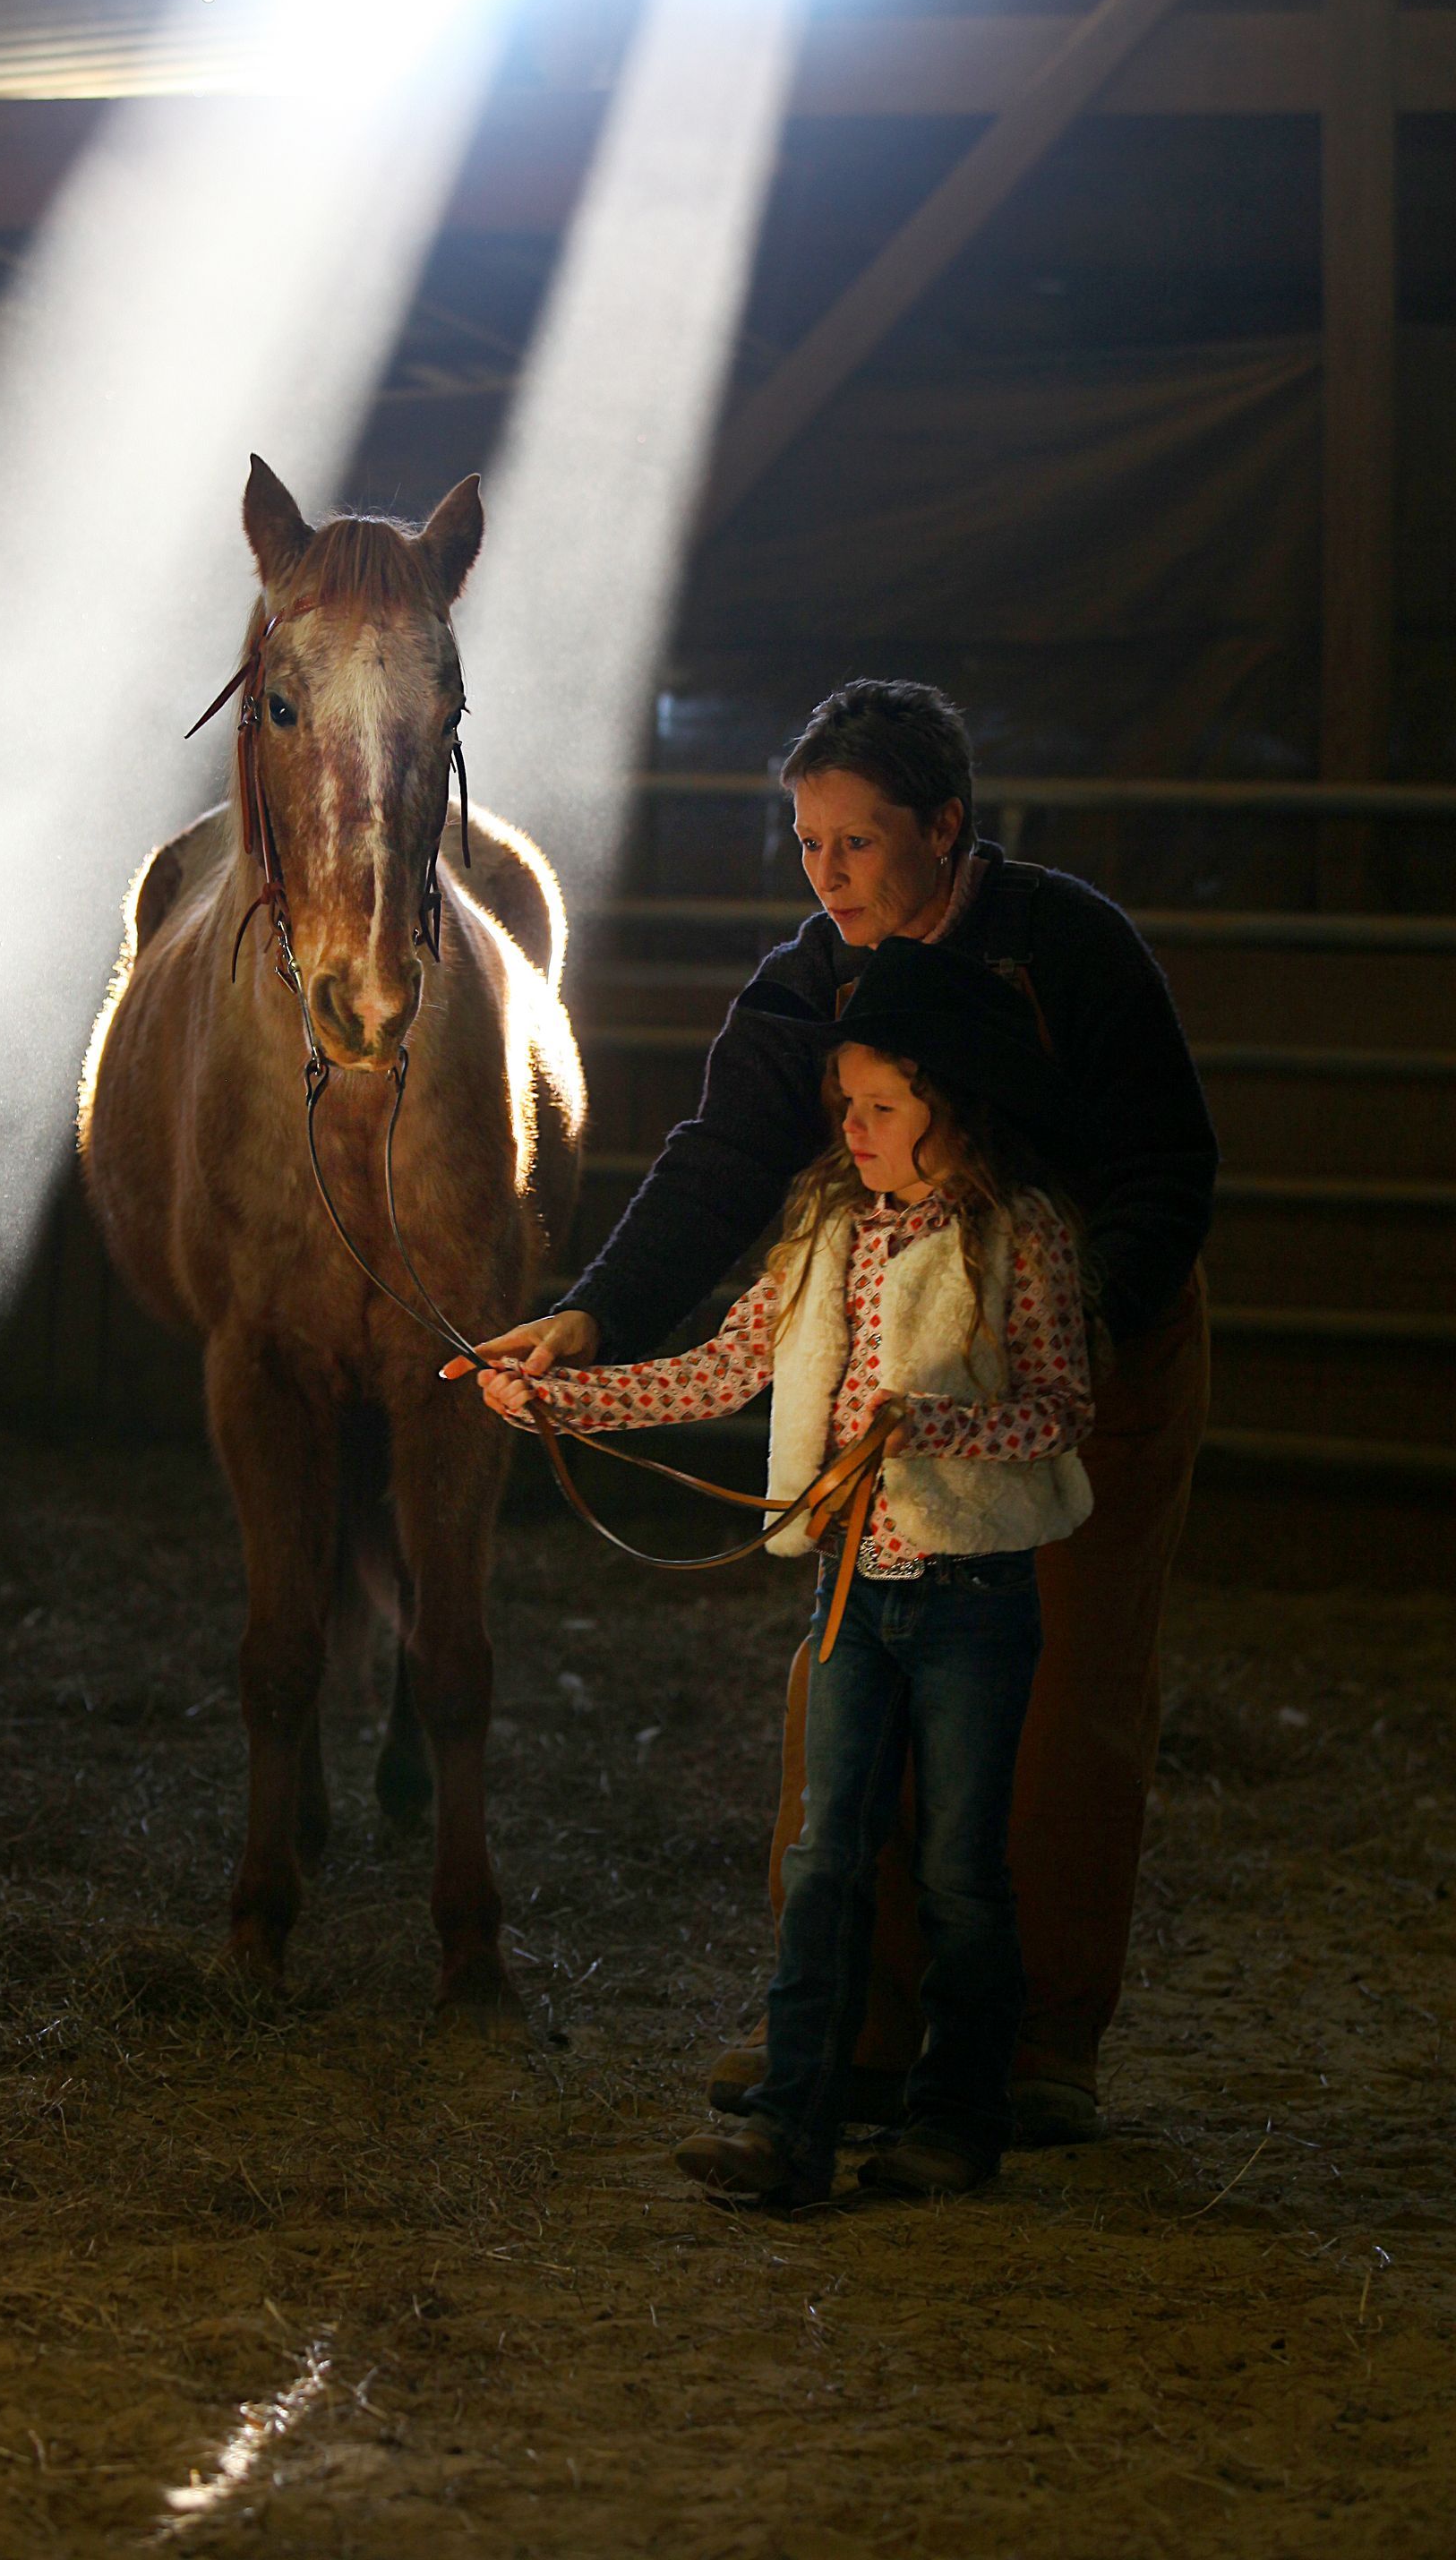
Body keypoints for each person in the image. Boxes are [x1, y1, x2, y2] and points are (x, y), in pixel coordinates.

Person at [480, 680, 1216, 2144]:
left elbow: (1163, 1164)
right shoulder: (809, 982)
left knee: (1058, 1695)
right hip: (889, 1362)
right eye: (806, 841)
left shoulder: (1066, 948)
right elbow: (719, 1162)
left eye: (858, 843)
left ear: (947, 830)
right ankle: (847, 2019)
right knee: (859, 1686)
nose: (826, 874)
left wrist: (1053, 1341)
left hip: (1073, 1355)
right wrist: (596, 1321)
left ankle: (1036, 2039)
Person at [477, 944, 1094, 2203]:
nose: (854, 1132)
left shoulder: (1017, 1242)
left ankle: (954, 2122)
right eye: (846, 1109)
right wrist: (566, 1402)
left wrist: (931, 1429)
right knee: (828, 1854)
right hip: (851, 1594)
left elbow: (1059, 1409)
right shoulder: (826, 1234)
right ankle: (789, 2125)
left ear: (951, 1109)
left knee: (961, 1868)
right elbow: (722, 1367)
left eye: (881, 1109)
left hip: (975, 1593)